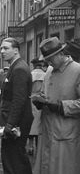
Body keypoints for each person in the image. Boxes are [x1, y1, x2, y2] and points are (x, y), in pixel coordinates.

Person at [31, 37, 80, 174]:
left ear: (62, 54)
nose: (47, 62)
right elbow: (44, 93)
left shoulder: (77, 71)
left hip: (66, 136)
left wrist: (61, 106)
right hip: (47, 132)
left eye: (51, 58)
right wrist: (40, 101)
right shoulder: (49, 72)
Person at [0, 37, 33, 174]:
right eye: (1, 48)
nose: (2, 51)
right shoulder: (15, 67)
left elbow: (19, 100)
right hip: (13, 121)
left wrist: (10, 125)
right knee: (13, 157)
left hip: (16, 123)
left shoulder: (19, 69)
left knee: (14, 159)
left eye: (6, 48)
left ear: (16, 50)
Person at [27, 58, 46, 155]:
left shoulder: (31, 75)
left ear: (33, 65)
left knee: (31, 124)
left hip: (31, 101)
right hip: (41, 101)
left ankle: (30, 146)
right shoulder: (46, 75)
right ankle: (39, 147)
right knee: (40, 125)